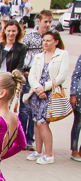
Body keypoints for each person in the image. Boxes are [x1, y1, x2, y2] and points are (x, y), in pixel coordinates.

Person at [23, 31, 69, 165]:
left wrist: (46, 87)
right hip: (37, 92)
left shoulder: (62, 54)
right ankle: (38, 151)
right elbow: (32, 75)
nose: (45, 43)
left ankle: (48, 154)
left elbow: (62, 75)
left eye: (49, 40)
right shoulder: (38, 56)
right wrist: (37, 88)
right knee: (36, 121)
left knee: (43, 122)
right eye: (44, 40)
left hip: (51, 91)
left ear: (56, 41)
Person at [20, 10, 53, 151]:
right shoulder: (30, 36)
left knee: (38, 111)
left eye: (50, 22)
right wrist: (24, 71)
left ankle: (31, 139)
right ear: (38, 21)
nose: (48, 24)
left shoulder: (52, 36)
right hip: (30, 76)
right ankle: (21, 138)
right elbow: (23, 53)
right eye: (46, 21)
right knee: (25, 109)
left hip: (44, 79)